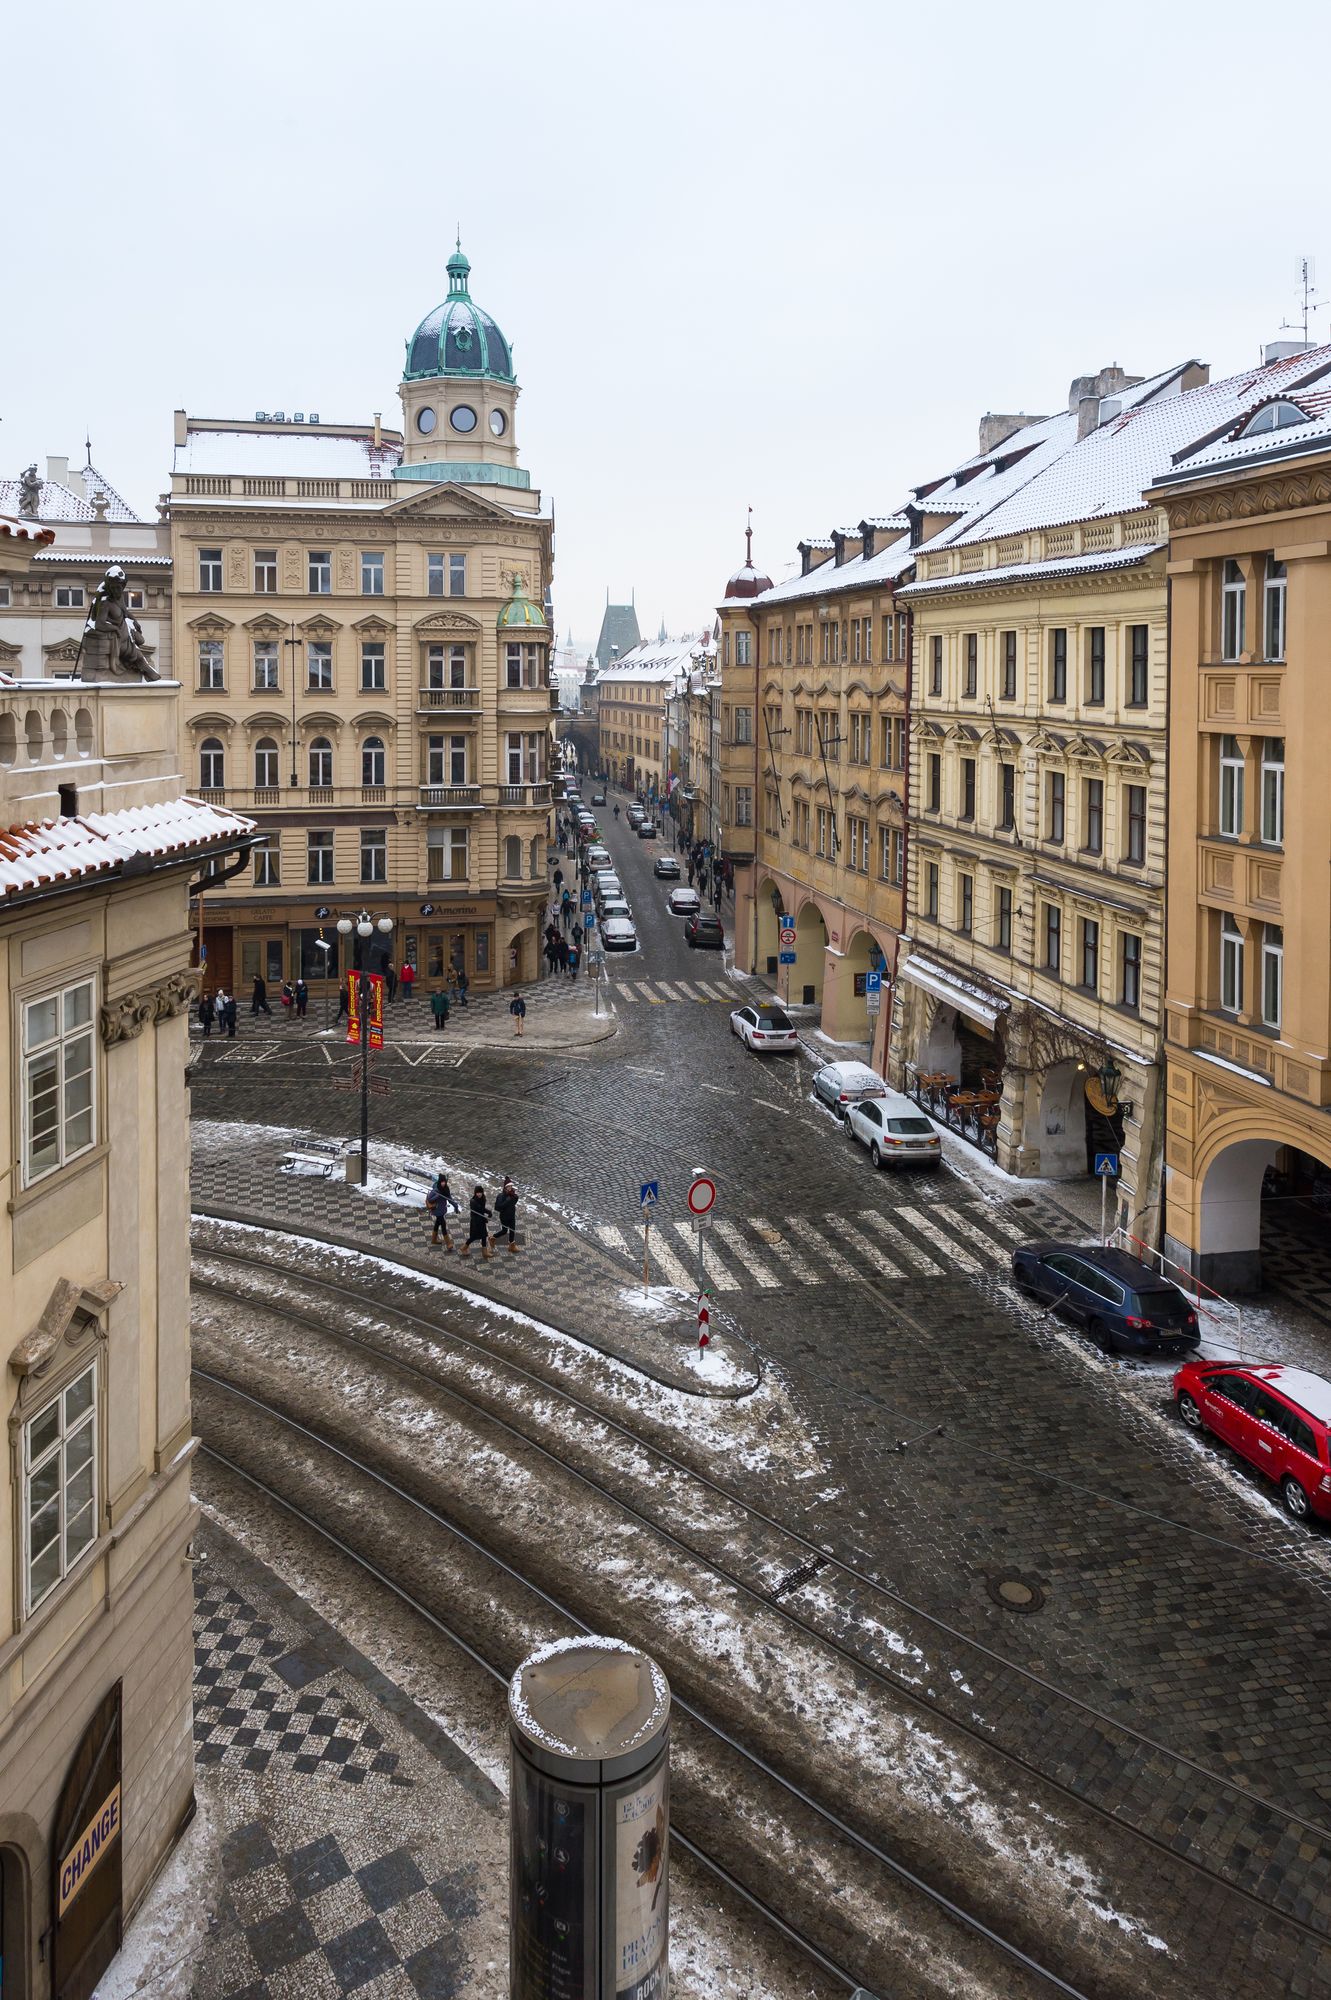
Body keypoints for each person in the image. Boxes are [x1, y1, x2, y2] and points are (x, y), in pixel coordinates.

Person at [426, 1166, 460, 1249]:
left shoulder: (446, 1189)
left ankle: (434, 1239)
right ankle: (448, 1243)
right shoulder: (436, 1190)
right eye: (442, 1182)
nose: (443, 1183)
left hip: (442, 1210)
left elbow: (450, 1199)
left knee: (437, 1224)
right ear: (439, 1182)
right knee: (443, 1225)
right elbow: (429, 1199)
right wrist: (438, 1195)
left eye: (444, 1182)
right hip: (437, 1210)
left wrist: (455, 1206)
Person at [461, 1184, 493, 1258]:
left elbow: (482, 1209)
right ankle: (464, 1248)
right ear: (475, 1193)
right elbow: (478, 1211)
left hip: (481, 1221)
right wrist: (485, 1216)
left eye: (480, 1192)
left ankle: (485, 1252)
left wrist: (489, 1212)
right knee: (473, 1237)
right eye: (477, 1193)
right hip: (476, 1222)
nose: (479, 1194)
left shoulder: (483, 1199)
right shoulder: (473, 1201)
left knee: (484, 1236)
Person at [492, 1177, 520, 1254]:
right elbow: (497, 1208)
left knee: (512, 1230)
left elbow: (513, 1203)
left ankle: (512, 1246)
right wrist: (507, 1201)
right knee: (504, 1231)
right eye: (508, 1186)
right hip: (504, 1217)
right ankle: (493, 1237)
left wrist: (515, 1198)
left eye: (511, 1186)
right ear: (505, 1187)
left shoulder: (513, 1195)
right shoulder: (501, 1196)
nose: (510, 1188)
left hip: (512, 1216)